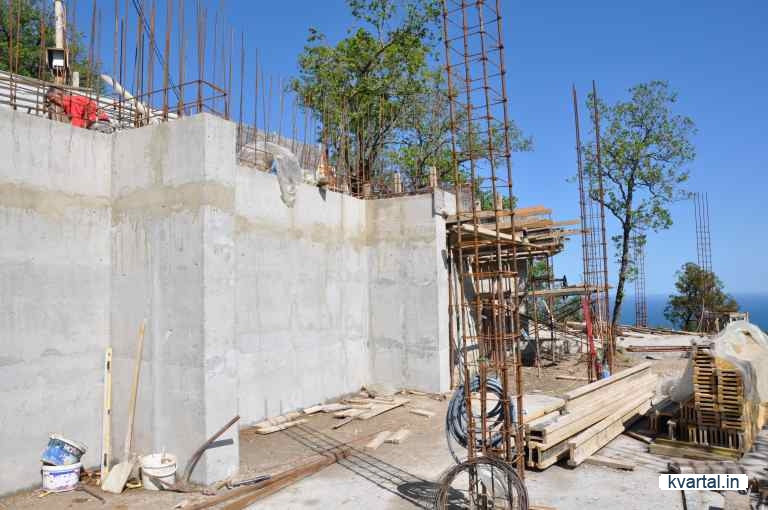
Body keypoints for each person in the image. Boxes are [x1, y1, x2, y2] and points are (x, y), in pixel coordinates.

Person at [46, 87, 112, 132]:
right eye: (51, 100)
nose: (53, 102)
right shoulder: (68, 103)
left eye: (53, 99)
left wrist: (80, 127)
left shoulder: (71, 101)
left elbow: (77, 121)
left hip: (99, 124)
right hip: (98, 123)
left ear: (59, 94)